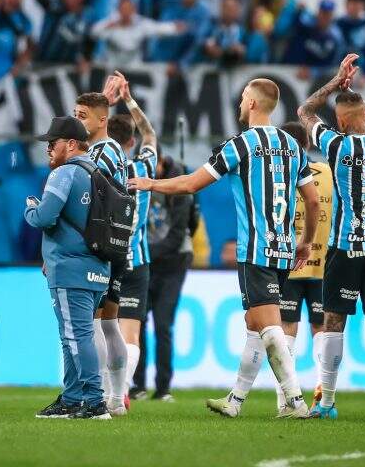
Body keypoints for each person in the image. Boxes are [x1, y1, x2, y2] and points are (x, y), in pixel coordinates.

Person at [129, 78, 321, 419]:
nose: (239, 103)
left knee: (269, 327)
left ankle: (295, 403)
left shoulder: (240, 145)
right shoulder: (293, 146)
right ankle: (235, 400)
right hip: (283, 248)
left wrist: (150, 183)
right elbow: (311, 198)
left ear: (252, 104)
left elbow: (190, 183)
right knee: (254, 323)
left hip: (255, 251)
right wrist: (305, 241)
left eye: (244, 97)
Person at [297, 54, 365, 419]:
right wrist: (353, 91)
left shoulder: (335, 145)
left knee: (333, 321)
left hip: (344, 247)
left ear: (339, 121)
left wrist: (335, 82)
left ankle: (326, 403)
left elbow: (305, 109)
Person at [26, 116, 112, 420]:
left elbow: (45, 217)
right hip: (98, 267)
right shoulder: (99, 171)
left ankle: (94, 401)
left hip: (70, 268)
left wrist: (30, 208)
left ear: (71, 144)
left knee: (76, 336)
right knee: (73, 335)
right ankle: (73, 398)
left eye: (53, 143)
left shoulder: (64, 173)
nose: (48, 149)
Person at [72, 88, 129, 416]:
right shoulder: (112, 149)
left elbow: (92, 200)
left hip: (100, 247)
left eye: (82, 116)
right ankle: (115, 397)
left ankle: (96, 396)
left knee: (94, 323)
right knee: (109, 323)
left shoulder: (102, 152)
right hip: (118, 246)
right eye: (76, 114)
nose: (77, 121)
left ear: (102, 120)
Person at [102, 73, 158, 403]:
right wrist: (129, 100)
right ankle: (121, 391)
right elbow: (150, 132)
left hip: (106, 259)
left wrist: (107, 103)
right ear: (131, 143)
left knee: (103, 328)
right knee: (130, 333)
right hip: (138, 261)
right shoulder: (145, 167)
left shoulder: (101, 168)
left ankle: (105, 390)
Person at [275, 121, 333, 415]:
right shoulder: (328, 173)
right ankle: (323, 400)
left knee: (286, 331)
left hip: (287, 264)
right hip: (323, 265)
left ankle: (285, 402)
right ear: (308, 143)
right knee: (321, 330)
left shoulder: (278, 173)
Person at [134, 155, 195, 401]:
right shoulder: (136, 179)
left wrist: (141, 251)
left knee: (162, 324)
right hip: (146, 263)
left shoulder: (179, 185)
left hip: (173, 263)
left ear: (161, 163)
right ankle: (137, 386)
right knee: (136, 323)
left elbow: (177, 234)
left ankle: (163, 388)